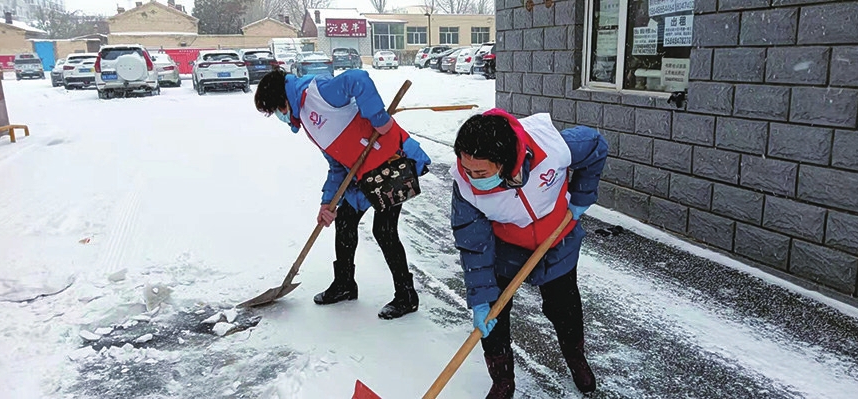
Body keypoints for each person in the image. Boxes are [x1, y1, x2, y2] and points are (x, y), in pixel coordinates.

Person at [449, 109, 608, 398]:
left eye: (481, 173)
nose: (472, 178)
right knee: (493, 318)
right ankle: (502, 380)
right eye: (467, 169)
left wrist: (583, 196)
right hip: (506, 248)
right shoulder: (465, 188)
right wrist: (482, 299)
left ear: (505, 161)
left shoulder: (552, 147)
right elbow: (474, 244)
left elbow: (595, 144)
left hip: (557, 240)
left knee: (565, 309)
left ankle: (576, 359)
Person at [253, 69, 431, 320]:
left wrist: (379, 119)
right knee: (345, 220)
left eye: (277, 111)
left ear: (283, 101)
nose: (280, 116)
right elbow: (337, 164)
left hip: (391, 162)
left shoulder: (317, 92)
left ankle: (406, 295)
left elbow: (357, 79)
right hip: (362, 174)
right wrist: (328, 202)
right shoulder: (306, 119)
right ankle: (345, 284)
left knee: (384, 229)